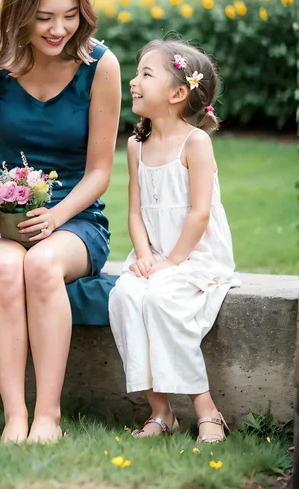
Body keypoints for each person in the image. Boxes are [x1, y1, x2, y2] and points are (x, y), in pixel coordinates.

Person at [0, 0, 121, 443]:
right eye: (44, 17)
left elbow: (99, 172)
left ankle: (47, 415)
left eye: (70, 15)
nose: (58, 30)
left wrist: (55, 218)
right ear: (19, 12)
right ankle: (15, 417)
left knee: (43, 265)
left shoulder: (101, 66)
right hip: (3, 215)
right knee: (7, 267)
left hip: (77, 217)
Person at [109, 39, 238, 444]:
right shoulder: (136, 145)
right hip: (157, 253)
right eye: (136, 71)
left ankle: (207, 409)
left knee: (162, 297)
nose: (133, 81)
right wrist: (145, 256)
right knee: (126, 295)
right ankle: (161, 411)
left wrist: (173, 261)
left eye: (146, 74)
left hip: (195, 255)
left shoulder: (195, 143)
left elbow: (199, 212)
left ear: (178, 93)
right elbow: (134, 212)